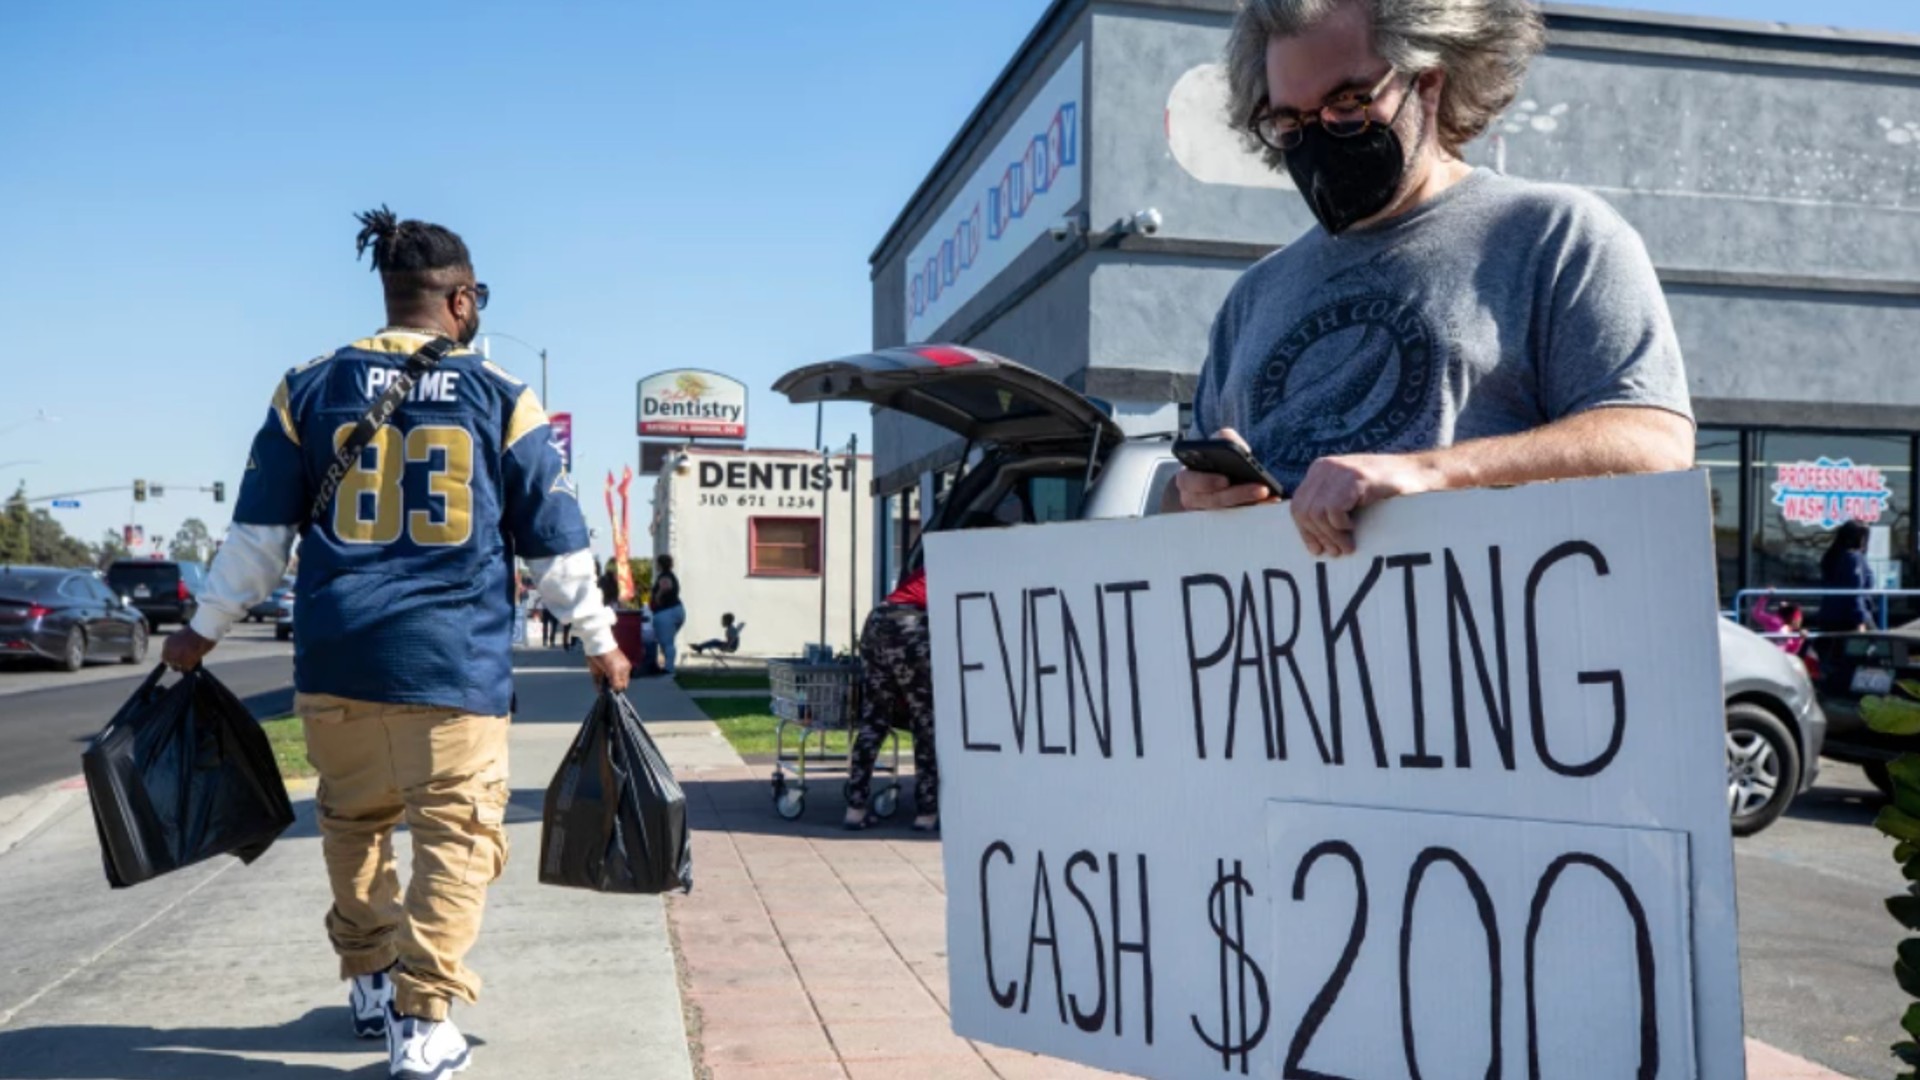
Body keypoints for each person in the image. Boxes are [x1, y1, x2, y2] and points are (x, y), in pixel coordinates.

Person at [162, 206, 630, 1080]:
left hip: (337, 659)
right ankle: (423, 1020)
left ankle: (371, 977)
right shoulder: (500, 396)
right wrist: (599, 639)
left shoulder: (306, 386)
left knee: (354, 822)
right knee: (455, 836)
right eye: (476, 296)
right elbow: (555, 544)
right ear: (458, 300)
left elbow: (257, 540)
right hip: (451, 663)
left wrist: (200, 631)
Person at [1172, 0, 1693, 542]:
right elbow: (1177, 509)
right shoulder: (1254, 296)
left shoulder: (1552, 236)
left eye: (1346, 102)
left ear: (1428, 83)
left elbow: (1654, 444)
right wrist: (1194, 496)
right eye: (1289, 120)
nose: (1320, 137)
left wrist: (1427, 472)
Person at [844, 566, 937, 832]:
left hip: (877, 619)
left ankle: (855, 809)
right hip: (910, 623)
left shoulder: (928, 563)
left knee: (874, 719)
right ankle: (926, 813)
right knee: (925, 721)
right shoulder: (966, 565)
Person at [1815, 521, 1874, 632]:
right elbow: (1855, 591)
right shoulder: (1853, 558)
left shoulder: (1831, 555)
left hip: (1829, 615)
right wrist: (1860, 620)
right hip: (1850, 617)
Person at [650, 554, 685, 676]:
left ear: (660, 564)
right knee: (668, 641)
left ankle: (669, 668)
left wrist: (658, 596)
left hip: (666, 611)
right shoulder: (670, 575)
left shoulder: (665, 576)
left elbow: (666, 585)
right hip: (675, 610)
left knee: (667, 642)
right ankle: (668, 666)